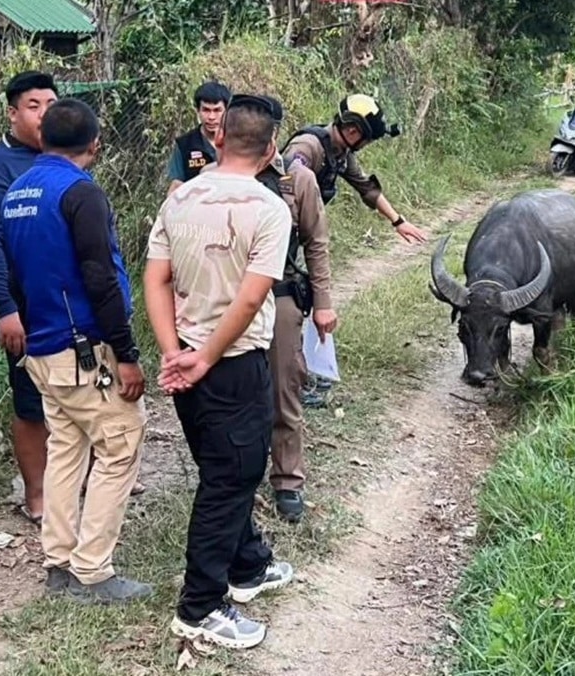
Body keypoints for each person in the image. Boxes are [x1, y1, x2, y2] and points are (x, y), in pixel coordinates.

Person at [145, 93, 296, 649]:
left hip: (186, 359)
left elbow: (156, 280)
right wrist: (205, 356)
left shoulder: (180, 198)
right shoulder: (268, 208)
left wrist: (174, 351)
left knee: (223, 467)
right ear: (271, 148)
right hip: (229, 364)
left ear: (217, 137)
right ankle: (200, 607)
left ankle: (249, 566)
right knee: (228, 480)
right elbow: (254, 297)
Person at [2, 98, 151, 604]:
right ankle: (93, 571)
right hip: (84, 349)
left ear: (42, 140)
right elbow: (99, 277)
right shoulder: (80, 193)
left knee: (65, 450)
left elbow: (16, 275)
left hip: (42, 350)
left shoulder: (17, 193)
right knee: (120, 445)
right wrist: (126, 355)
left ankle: (60, 562)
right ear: (95, 144)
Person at [200, 95, 337, 523]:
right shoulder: (210, 180)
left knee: (284, 388)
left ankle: (287, 480)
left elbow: (316, 242)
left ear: (273, 137)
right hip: (222, 297)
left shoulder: (298, 181)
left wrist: (324, 304)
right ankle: (229, 476)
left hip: (278, 297)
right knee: (226, 391)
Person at [0, 71, 58, 525]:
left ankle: (88, 477)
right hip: (27, 309)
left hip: (72, 306)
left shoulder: (64, 156)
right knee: (30, 403)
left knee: (81, 394)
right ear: (13, 112)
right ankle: (36, 497)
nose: (44, 114)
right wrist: (6, 309)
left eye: (50, 104)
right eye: (34, 105)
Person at [282, 93, 429, 245]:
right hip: (279, 226)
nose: (366, 145)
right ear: (353, 131)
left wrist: (398, 222)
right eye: (367, 140)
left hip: (300, 228)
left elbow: (366, 188)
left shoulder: (341, 152)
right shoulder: (307, 147)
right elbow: (285, 192)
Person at [165, 80, 232, 195]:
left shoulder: (237, 142)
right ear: (197, 111)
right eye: (206, 110)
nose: (211, 117)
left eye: (217, 110)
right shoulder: (184, 144)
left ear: (227, 111)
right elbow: (176, 185)